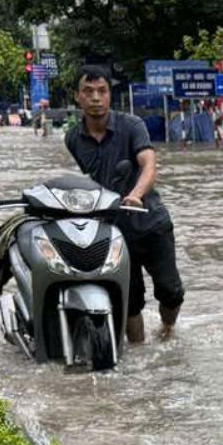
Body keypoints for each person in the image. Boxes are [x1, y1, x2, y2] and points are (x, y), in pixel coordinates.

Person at [65, 66, 183, 345]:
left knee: (171, 291)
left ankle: (167, 332)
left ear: (109, 95)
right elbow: (92, 179)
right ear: (77, 97)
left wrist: (136, 194)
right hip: (113, 230)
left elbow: (149, 163)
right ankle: (141, 354)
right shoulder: (73, 138)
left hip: (150, 221)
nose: (96, 98)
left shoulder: (131, 125)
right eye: (88, 91)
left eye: (102, 91)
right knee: (129, 300)